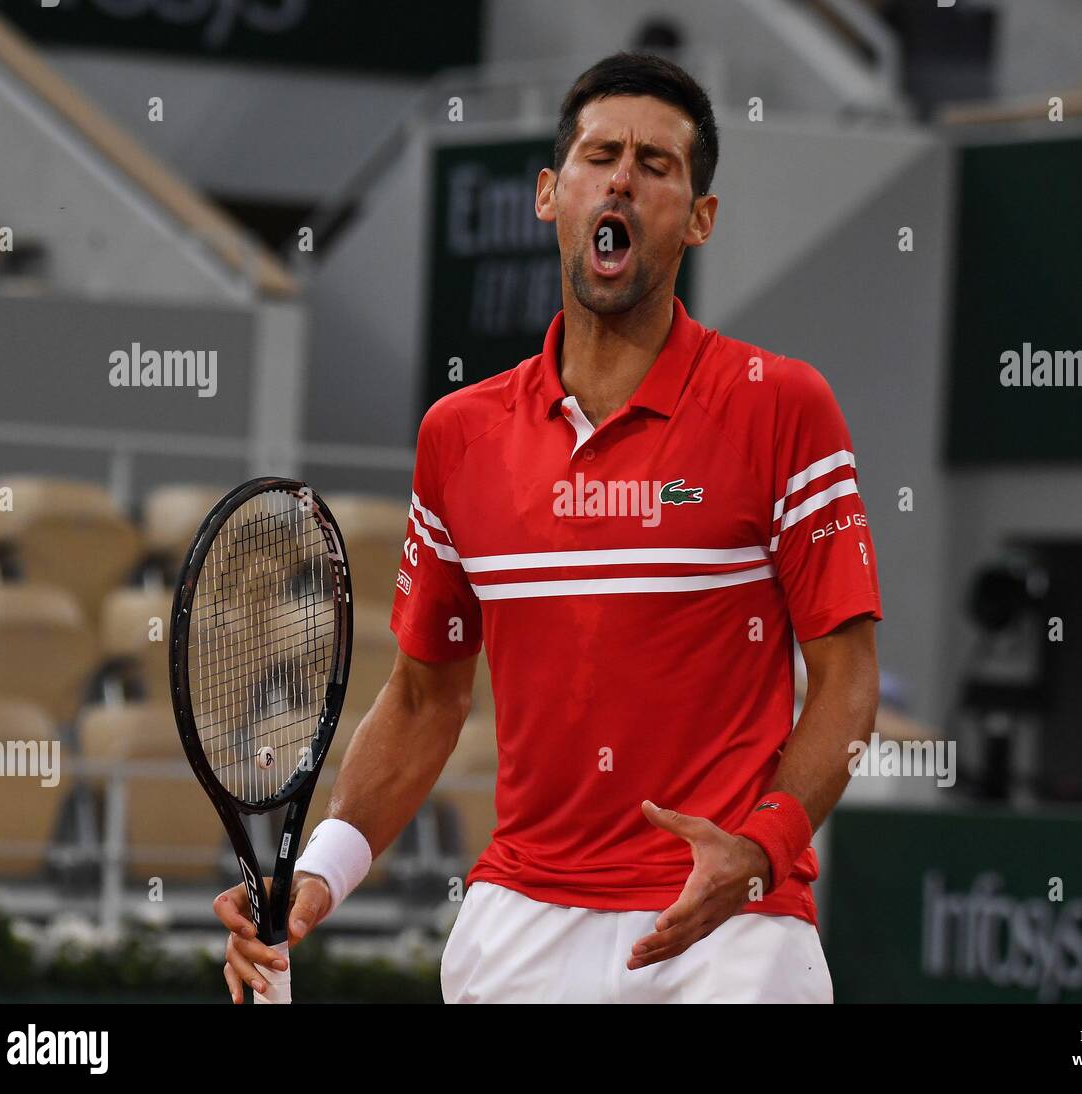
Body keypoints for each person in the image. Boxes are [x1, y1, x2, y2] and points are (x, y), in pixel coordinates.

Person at [216, 50, 882, 1004]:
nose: (622, 176)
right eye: (600, 154)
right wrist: (317, 878)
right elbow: (421, 700)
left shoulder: (782, 406)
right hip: (518, 927)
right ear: (549, 193)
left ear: (699, 219)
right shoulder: (459, 436)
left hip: (732, 937)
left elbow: (847, 681)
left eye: (657, 166)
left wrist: (761, 846)